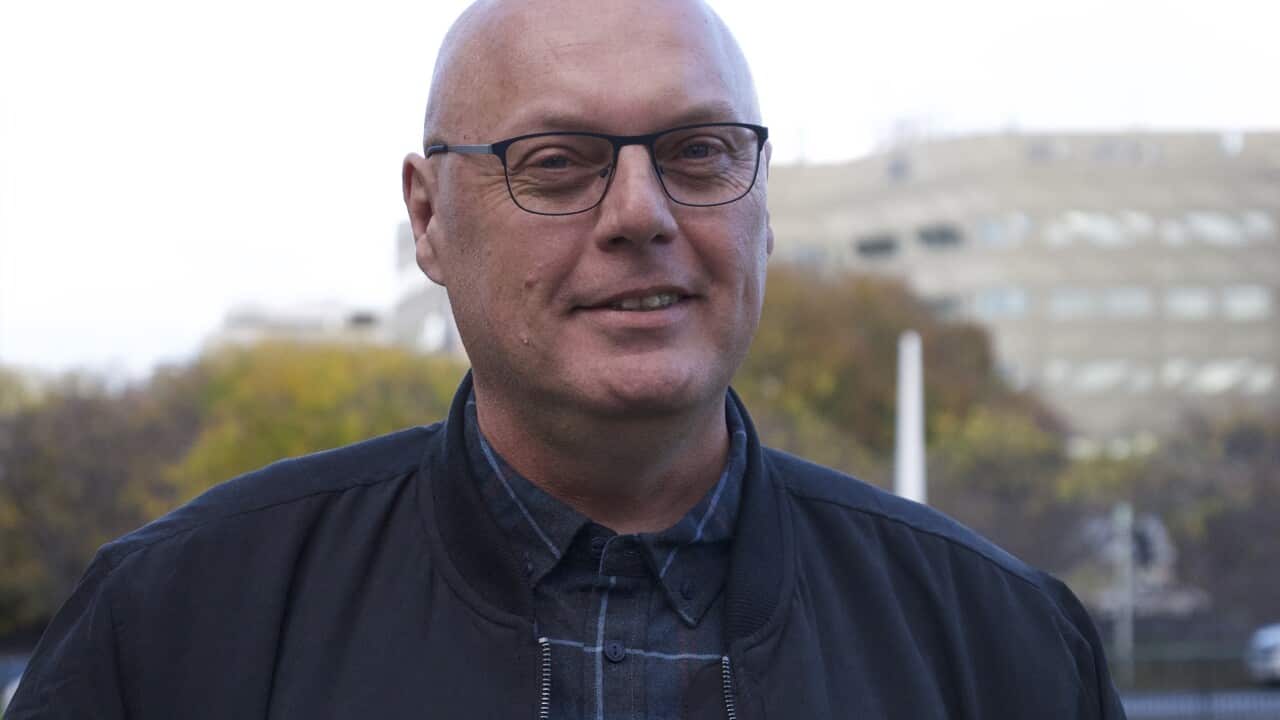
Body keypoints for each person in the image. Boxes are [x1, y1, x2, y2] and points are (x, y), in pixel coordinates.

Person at [9, 0, 1127, 718]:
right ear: (428, 217)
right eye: (556, 164)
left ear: (764, 204)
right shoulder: (177, 631)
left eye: (698, 152)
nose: (639, 213)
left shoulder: (1002, 650)